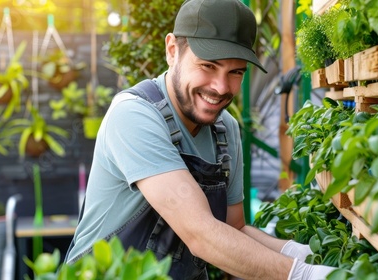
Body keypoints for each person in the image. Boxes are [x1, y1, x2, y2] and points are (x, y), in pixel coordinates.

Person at [64, 0, 336, 279]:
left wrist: (294, 252)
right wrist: (300, 275)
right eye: (208, 66)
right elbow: (201, 234)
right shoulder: (134, 116)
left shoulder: (225, 128)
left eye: (235, 72)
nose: (220, 87)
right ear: (172, 51)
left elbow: (234, 228)